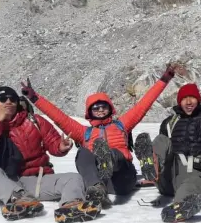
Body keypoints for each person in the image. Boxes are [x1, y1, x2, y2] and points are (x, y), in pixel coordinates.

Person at [22, 64, 177, 206]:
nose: (101, 110)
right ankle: (96, 189)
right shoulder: (84, 132)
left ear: (110, 109)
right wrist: (34, 98)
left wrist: (165, 79)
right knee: (83, 153)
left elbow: (144, 103)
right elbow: (59, 117)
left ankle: (112, 159)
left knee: (115, 153)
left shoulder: (122, 125)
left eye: (104, 107)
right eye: (96, 108)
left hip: (122, 180)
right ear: (90, 112)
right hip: (103, 183)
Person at [0, 86, 100, 223]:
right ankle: (20, 199)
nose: (8, 102)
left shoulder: (34, 121)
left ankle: (71, 206)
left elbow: (53, 143)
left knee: (74, 178)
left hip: (38, 180)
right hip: (8, 183)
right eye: (2, 99)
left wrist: (61, 147)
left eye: (12, 99)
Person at [134, 83, 201, 223]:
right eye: (184, 98)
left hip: (194, 171)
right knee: (162, 140)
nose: (188, 102)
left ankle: (181, 206)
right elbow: (165, 149)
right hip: (168, 175)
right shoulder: (169, 123)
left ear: (198, 100)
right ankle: (153, 163)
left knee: (191, 182)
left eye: (192, 98)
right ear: (179, 101)